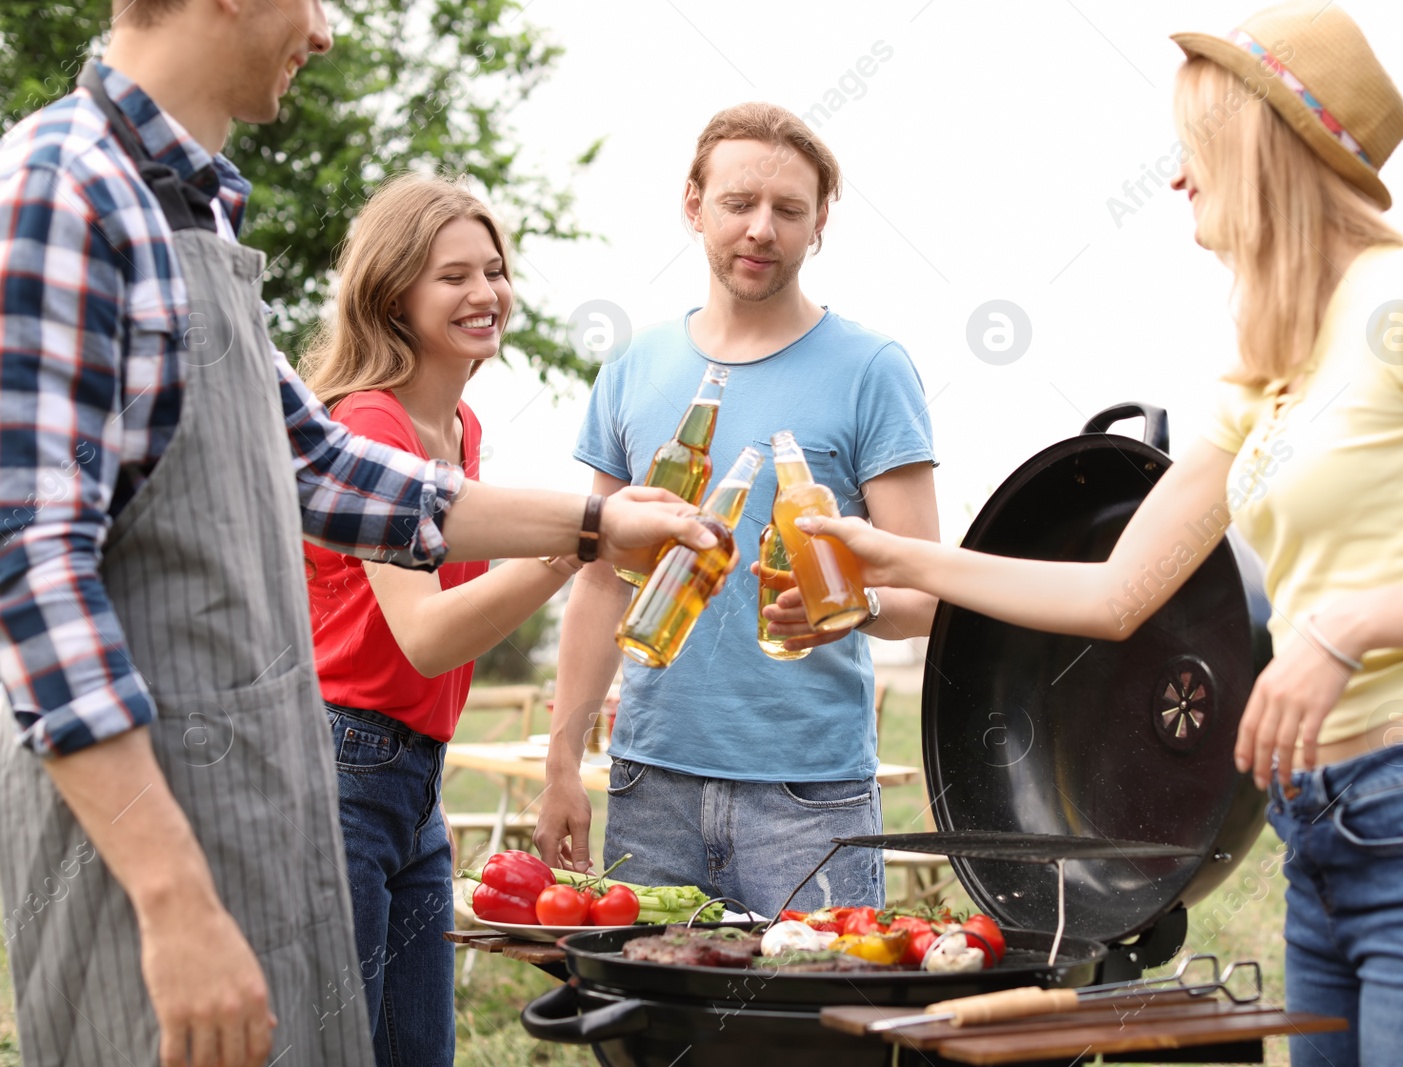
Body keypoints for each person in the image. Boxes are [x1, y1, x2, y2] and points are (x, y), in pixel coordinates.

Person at [799, 3, 1403, 1064]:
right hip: (1320, 837)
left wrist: (1350, 624)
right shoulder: (1265, 366)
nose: (1177, 177)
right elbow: (1112, 594)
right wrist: (897, 556)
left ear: (1263, 148)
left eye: (1194, 148)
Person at [0, 3, 713, 1065]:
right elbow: (33, 569)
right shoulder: (63, 187)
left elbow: (328, 470)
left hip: (260, 808)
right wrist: (175, 900)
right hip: (152, 845)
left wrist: (601, 519)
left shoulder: (188, 211)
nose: (325, 30)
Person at [535, 102, 940, 916]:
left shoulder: (873, 370)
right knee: (655, 1031)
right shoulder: (633, 368)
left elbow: (926, 593)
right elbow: (602, 580)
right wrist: (560, 763)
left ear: (821, 221)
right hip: (652, 778)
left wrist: (847, 609)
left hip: (809, 788)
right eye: (738, 204)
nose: (762, 229)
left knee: (815, 1034)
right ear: (693, 205)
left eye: (789, 210)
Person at [295, 174, 581, 1066]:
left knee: (418, 1051)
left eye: (493, 270)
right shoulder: (371, 423)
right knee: (333, 1047)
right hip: (343, 766)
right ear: (393, 294)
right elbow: (424, 636)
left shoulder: (459, 424)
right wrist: (574, 545)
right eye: (452, 276)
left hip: (413, 781)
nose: (485, 293)